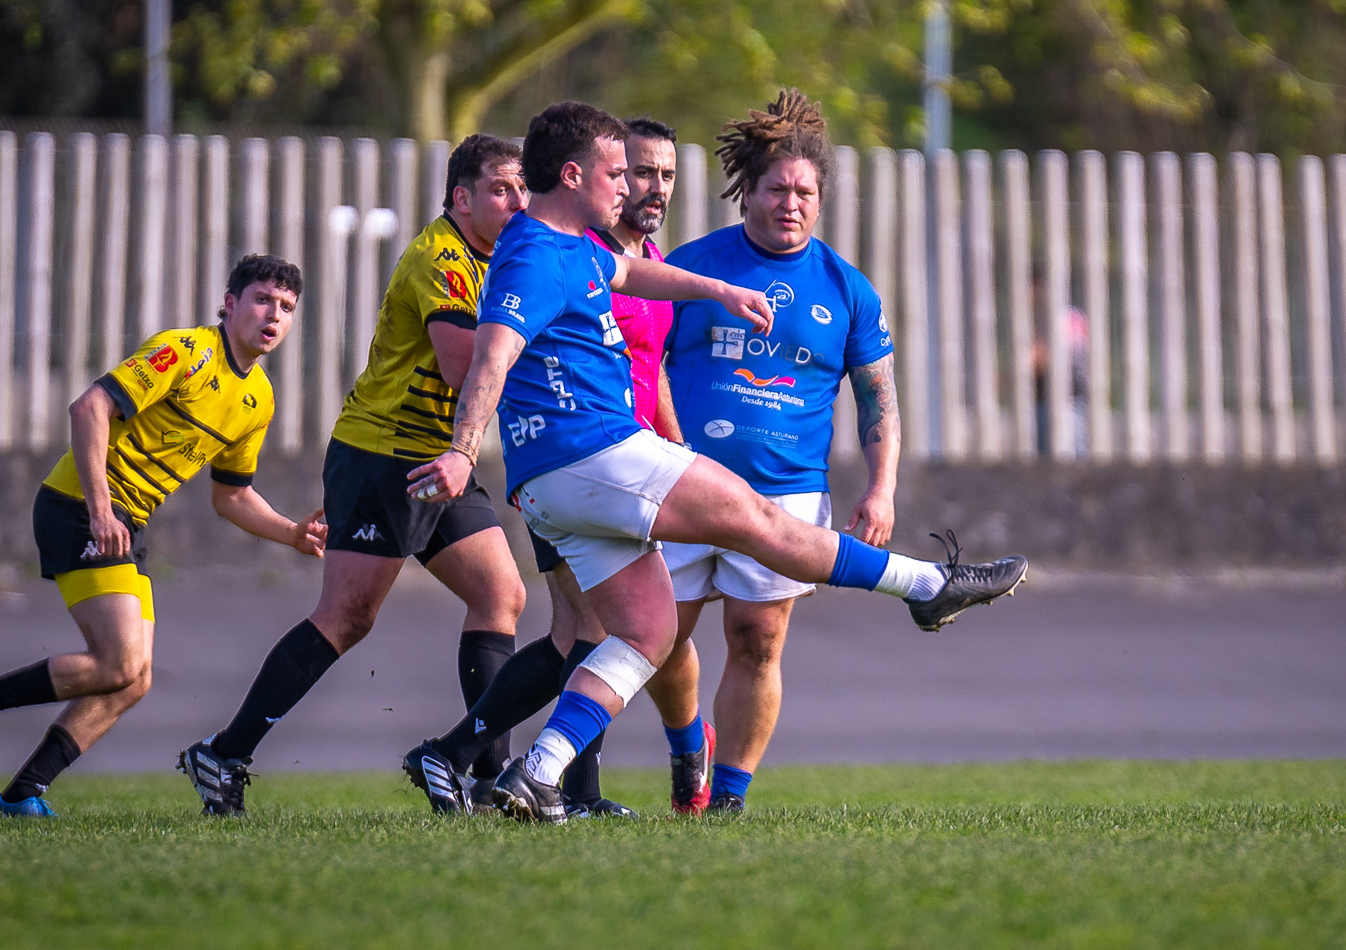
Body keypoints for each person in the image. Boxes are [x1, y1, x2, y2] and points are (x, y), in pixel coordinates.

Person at [405, 100, 1029, 824]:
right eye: (617, 173)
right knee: (760, 520)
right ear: (573, 176)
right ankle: (929, 586)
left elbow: (635, 279)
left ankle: (537, 772)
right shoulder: (537, 253)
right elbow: (492, 355)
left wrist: (723, 291)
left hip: (559, 485)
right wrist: (459, 451)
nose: (629, 188)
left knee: (646, 632)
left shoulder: (573, 244)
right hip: (595, 452)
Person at [178, 136, 530, 816]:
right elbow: (466, 368)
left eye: (522, 189)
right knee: (346, 616)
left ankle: (486, 778)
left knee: (502, 593)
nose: (517, 202)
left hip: (440, 454)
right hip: (386, 455)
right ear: (462, 197)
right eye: (500, 189)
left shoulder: (505, 258)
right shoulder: (443, 257)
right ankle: (224, 753)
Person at [0, 256, 323, 816]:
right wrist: (103, 509)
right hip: (78, 507)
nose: (272, 314)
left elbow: (231, 496)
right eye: (260, 300)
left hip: (123, 522)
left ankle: (21, 794)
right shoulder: (186, 351)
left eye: (286, 307)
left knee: (133, 680)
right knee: (118, 662)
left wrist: (293, 534)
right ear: (229, 304)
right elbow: (89, 408)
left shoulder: (259, 399)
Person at [402, 116, 681, 818]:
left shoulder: (643, 260)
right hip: (577, 464)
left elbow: (652, 371)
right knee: (592, 630)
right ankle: (528, 775)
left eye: (663, 175)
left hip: (638, 465)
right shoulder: (568, 251)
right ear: (588, 176)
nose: (647, 188)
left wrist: (676, 445)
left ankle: (465, 755)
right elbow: (504, 354)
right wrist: (468, 448)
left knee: (580, 633)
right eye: (636, 172)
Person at [640, 89, 900, 815]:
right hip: (684, 481)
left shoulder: (847, 290)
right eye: (778, 188)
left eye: (805, 192)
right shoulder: (690, 271)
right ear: (746, 191)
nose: (792, 202)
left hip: (785, 493)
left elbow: (878, 399)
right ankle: (689, 740)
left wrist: (881, 488)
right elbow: (639, 361)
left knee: (757, 638)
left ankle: (726, 799)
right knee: (657, 636)